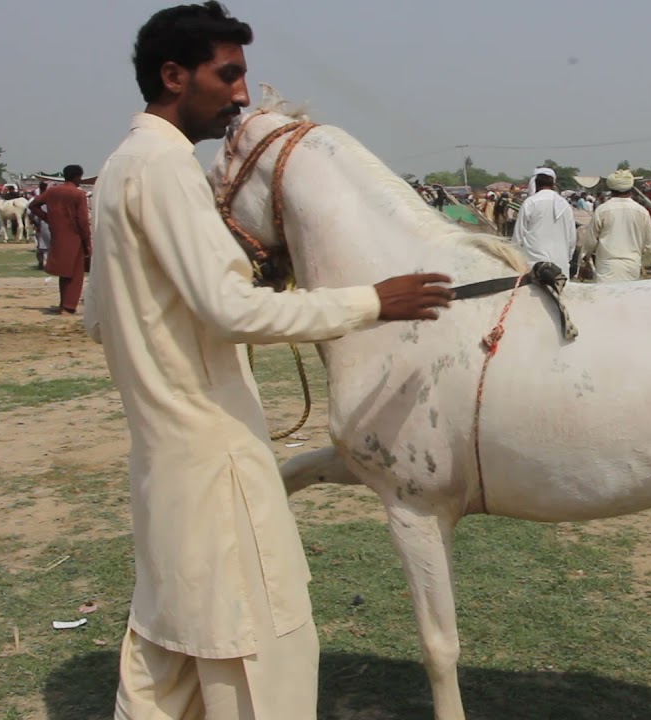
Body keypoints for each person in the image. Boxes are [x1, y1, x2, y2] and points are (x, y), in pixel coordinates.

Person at [84, 4, 455, 717]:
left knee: (168, 662)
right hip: (215, 461)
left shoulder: (118, 167)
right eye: (228, 75)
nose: (241, 95)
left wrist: (189, 306)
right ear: (174, 75)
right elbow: (231, 312)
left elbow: (102, 318)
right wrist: (370, 302)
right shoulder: (164, 167)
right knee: (262, 656)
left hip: (165, 465)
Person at [29, 165, 91, 314]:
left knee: (64, 272)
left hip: (57, 234)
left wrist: (49, 218)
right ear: (77, 177)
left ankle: (63, 304)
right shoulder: (78, 194)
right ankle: (69, 306)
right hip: (75, 236)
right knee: (76, 274)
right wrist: (87, 242)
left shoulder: (52, 192)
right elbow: (82, 220)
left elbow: (33, 205)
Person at [583, 169, 651, 282]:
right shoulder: (641, 211)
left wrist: (584, 261)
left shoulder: (602, 210)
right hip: (631, 267)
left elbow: (590, 241)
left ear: (611, 189)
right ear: (631, 189)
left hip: (606, 268)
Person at [511, 167, 577, 273]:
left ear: (534, 184)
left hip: (534, 265)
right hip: (560, 264)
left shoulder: (530, 203)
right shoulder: (564, 205)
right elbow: (572, 238)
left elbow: (518, 237)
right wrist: (567, 258)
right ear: (553, 184)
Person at [30, 180, 53, 269]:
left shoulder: (37, 199)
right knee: (46, 245)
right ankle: (45, 263)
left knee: (43, 245)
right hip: (47, 223)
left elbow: (30, 213)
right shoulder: (50, 199)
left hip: (43, 223)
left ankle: (44, 263)